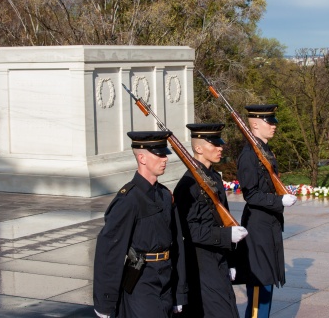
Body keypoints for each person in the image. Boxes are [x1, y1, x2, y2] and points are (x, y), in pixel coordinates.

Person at [93, 131, 187, 318]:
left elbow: (177, 245)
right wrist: (104, 302)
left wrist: (179, 293)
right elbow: (109, 251)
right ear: (142, 157)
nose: (165, 159)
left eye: (164, 154)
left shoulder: (165, 196)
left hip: (166, 278)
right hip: (141, 281)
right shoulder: (129, 200)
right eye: (159, 154)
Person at [173, 123, 248, 318]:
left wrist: (231, 260)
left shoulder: (213, 177)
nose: (220, 148)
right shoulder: (187, 186)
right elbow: (188, 231)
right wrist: (225, 235)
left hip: (218, 257)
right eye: (214, 145)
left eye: (220, 144)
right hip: (200, 262)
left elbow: (225, 219)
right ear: (198, 149)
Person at [237, 105, 297, 318]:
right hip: (258, 225)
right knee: (260, 285)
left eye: (273, 122)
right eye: (268, 122)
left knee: (267, 282)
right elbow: (250, 194)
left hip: (268, 223)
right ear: (254, 124)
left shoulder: (265, 150)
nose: (273, 126)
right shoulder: (249, 156)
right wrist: (279, 200)